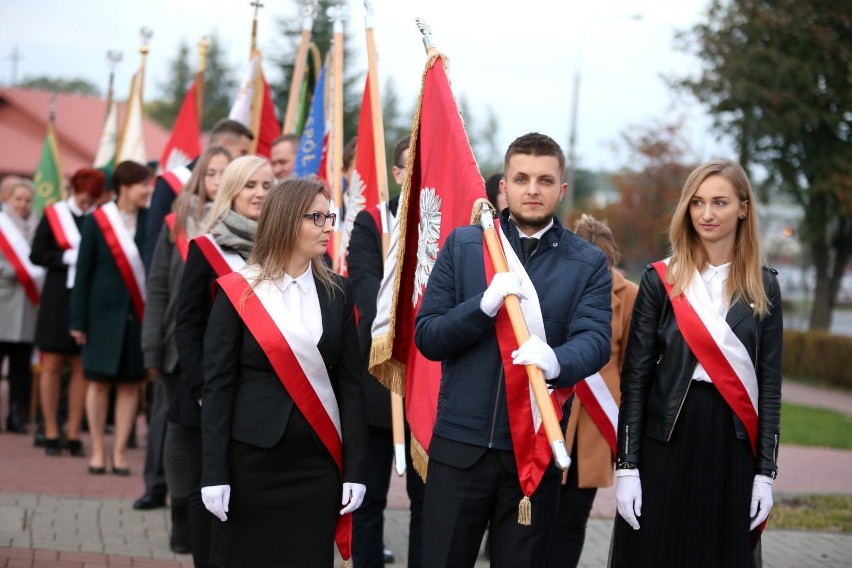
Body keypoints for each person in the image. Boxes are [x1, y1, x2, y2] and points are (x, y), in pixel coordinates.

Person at [414, 132, 612, 567]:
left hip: (532, 451)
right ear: (503, 186)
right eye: (521, 178)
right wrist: (480, 308)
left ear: (561, 190)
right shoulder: (465, 247)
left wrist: (558, 360)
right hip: (459, 446)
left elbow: (596, 340)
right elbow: (427, 335)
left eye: (545, 180)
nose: (532, 190)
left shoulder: (587, 262)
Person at [609, 159, 782, 567]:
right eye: (698, 202)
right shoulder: (661, 279)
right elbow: (635, 379)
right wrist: (628, 466)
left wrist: (765, 473)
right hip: (665, 437)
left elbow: (769, 384)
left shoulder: (764, 284)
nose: (706, 214)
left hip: (732, 443)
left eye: (719, 202)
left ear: (743, 208)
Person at [200, 176, 368, 566]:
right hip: (249, 466)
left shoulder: (339, 293)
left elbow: (350, 388)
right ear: (287, 220)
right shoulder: (237, 291)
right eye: (317, 217)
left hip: (316, 468)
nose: (329, 226)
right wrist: (213, 472)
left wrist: (356, 470)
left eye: (331, 216)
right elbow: (218, 388)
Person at [172, 155, 272, 567]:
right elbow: (187, 326)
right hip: (208, 394)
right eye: (250, 185)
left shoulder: (284, 249)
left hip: (263, 397)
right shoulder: (207, 248)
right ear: (231, 190)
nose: (259, 194)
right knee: (207, 492)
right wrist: (203, 390)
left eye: (267, 186)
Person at [134, 147, 232, 555]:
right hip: (179, 347)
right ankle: (176, 505)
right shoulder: (178, 224)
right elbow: (158, 285)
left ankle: (205, 512)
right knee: (177, 430)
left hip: (220, 351)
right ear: (199, 178)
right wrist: (151, 345)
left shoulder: (245, 228)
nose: (217, 181)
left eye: (225, 174)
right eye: (211, 173)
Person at [348, 135, 425, 568]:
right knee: (368, 492)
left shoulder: (445, 225)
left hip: (428, 378)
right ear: (397, 174)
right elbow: (364, 288)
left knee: (427, 499)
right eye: (408, 167)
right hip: (377, 374)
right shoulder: (371, 224)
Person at [545, 214, 638, 568]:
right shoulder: (552, 283)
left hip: (595, 426)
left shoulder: (629, 295)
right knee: (538, 516)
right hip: (553, 412)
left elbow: (632, 365)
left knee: (572, 521)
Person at [69, 160, 153, 475]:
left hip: (137, 315)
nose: (148, 190)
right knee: (100, 383)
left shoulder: (151, 220)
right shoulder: (97, 221)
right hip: (101, 317)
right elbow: (83, 273)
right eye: (143, 184)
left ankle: (118, 453)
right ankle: (98, 452)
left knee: (131, 385)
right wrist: (77, 321)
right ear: (124, 187)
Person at [30, 169, 105, 454]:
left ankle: (73, 432)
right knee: (52, 363)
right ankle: (50, 429)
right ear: (74, 190)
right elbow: (37, 253)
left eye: (92, 200)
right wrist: (65, 257)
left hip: (87, 298)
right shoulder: (54, 215)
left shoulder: (100, 218)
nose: (87, 204)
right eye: (84, 198)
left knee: (80, 365)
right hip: (57, 298)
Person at [144, 118, 254, 270]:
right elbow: (155, 243)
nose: (245, 157)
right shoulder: (171, 182)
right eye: (242, 152)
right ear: (223, 145)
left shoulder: (240, 185)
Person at [0, 179, 41, 433]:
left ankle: (17, 414)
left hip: (27, 306)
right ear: (8, 199)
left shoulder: (37, 225)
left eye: (27, 200)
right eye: (18, 199)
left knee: (20, 366)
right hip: (3, 302)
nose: (23, 205)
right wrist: (11, 271)